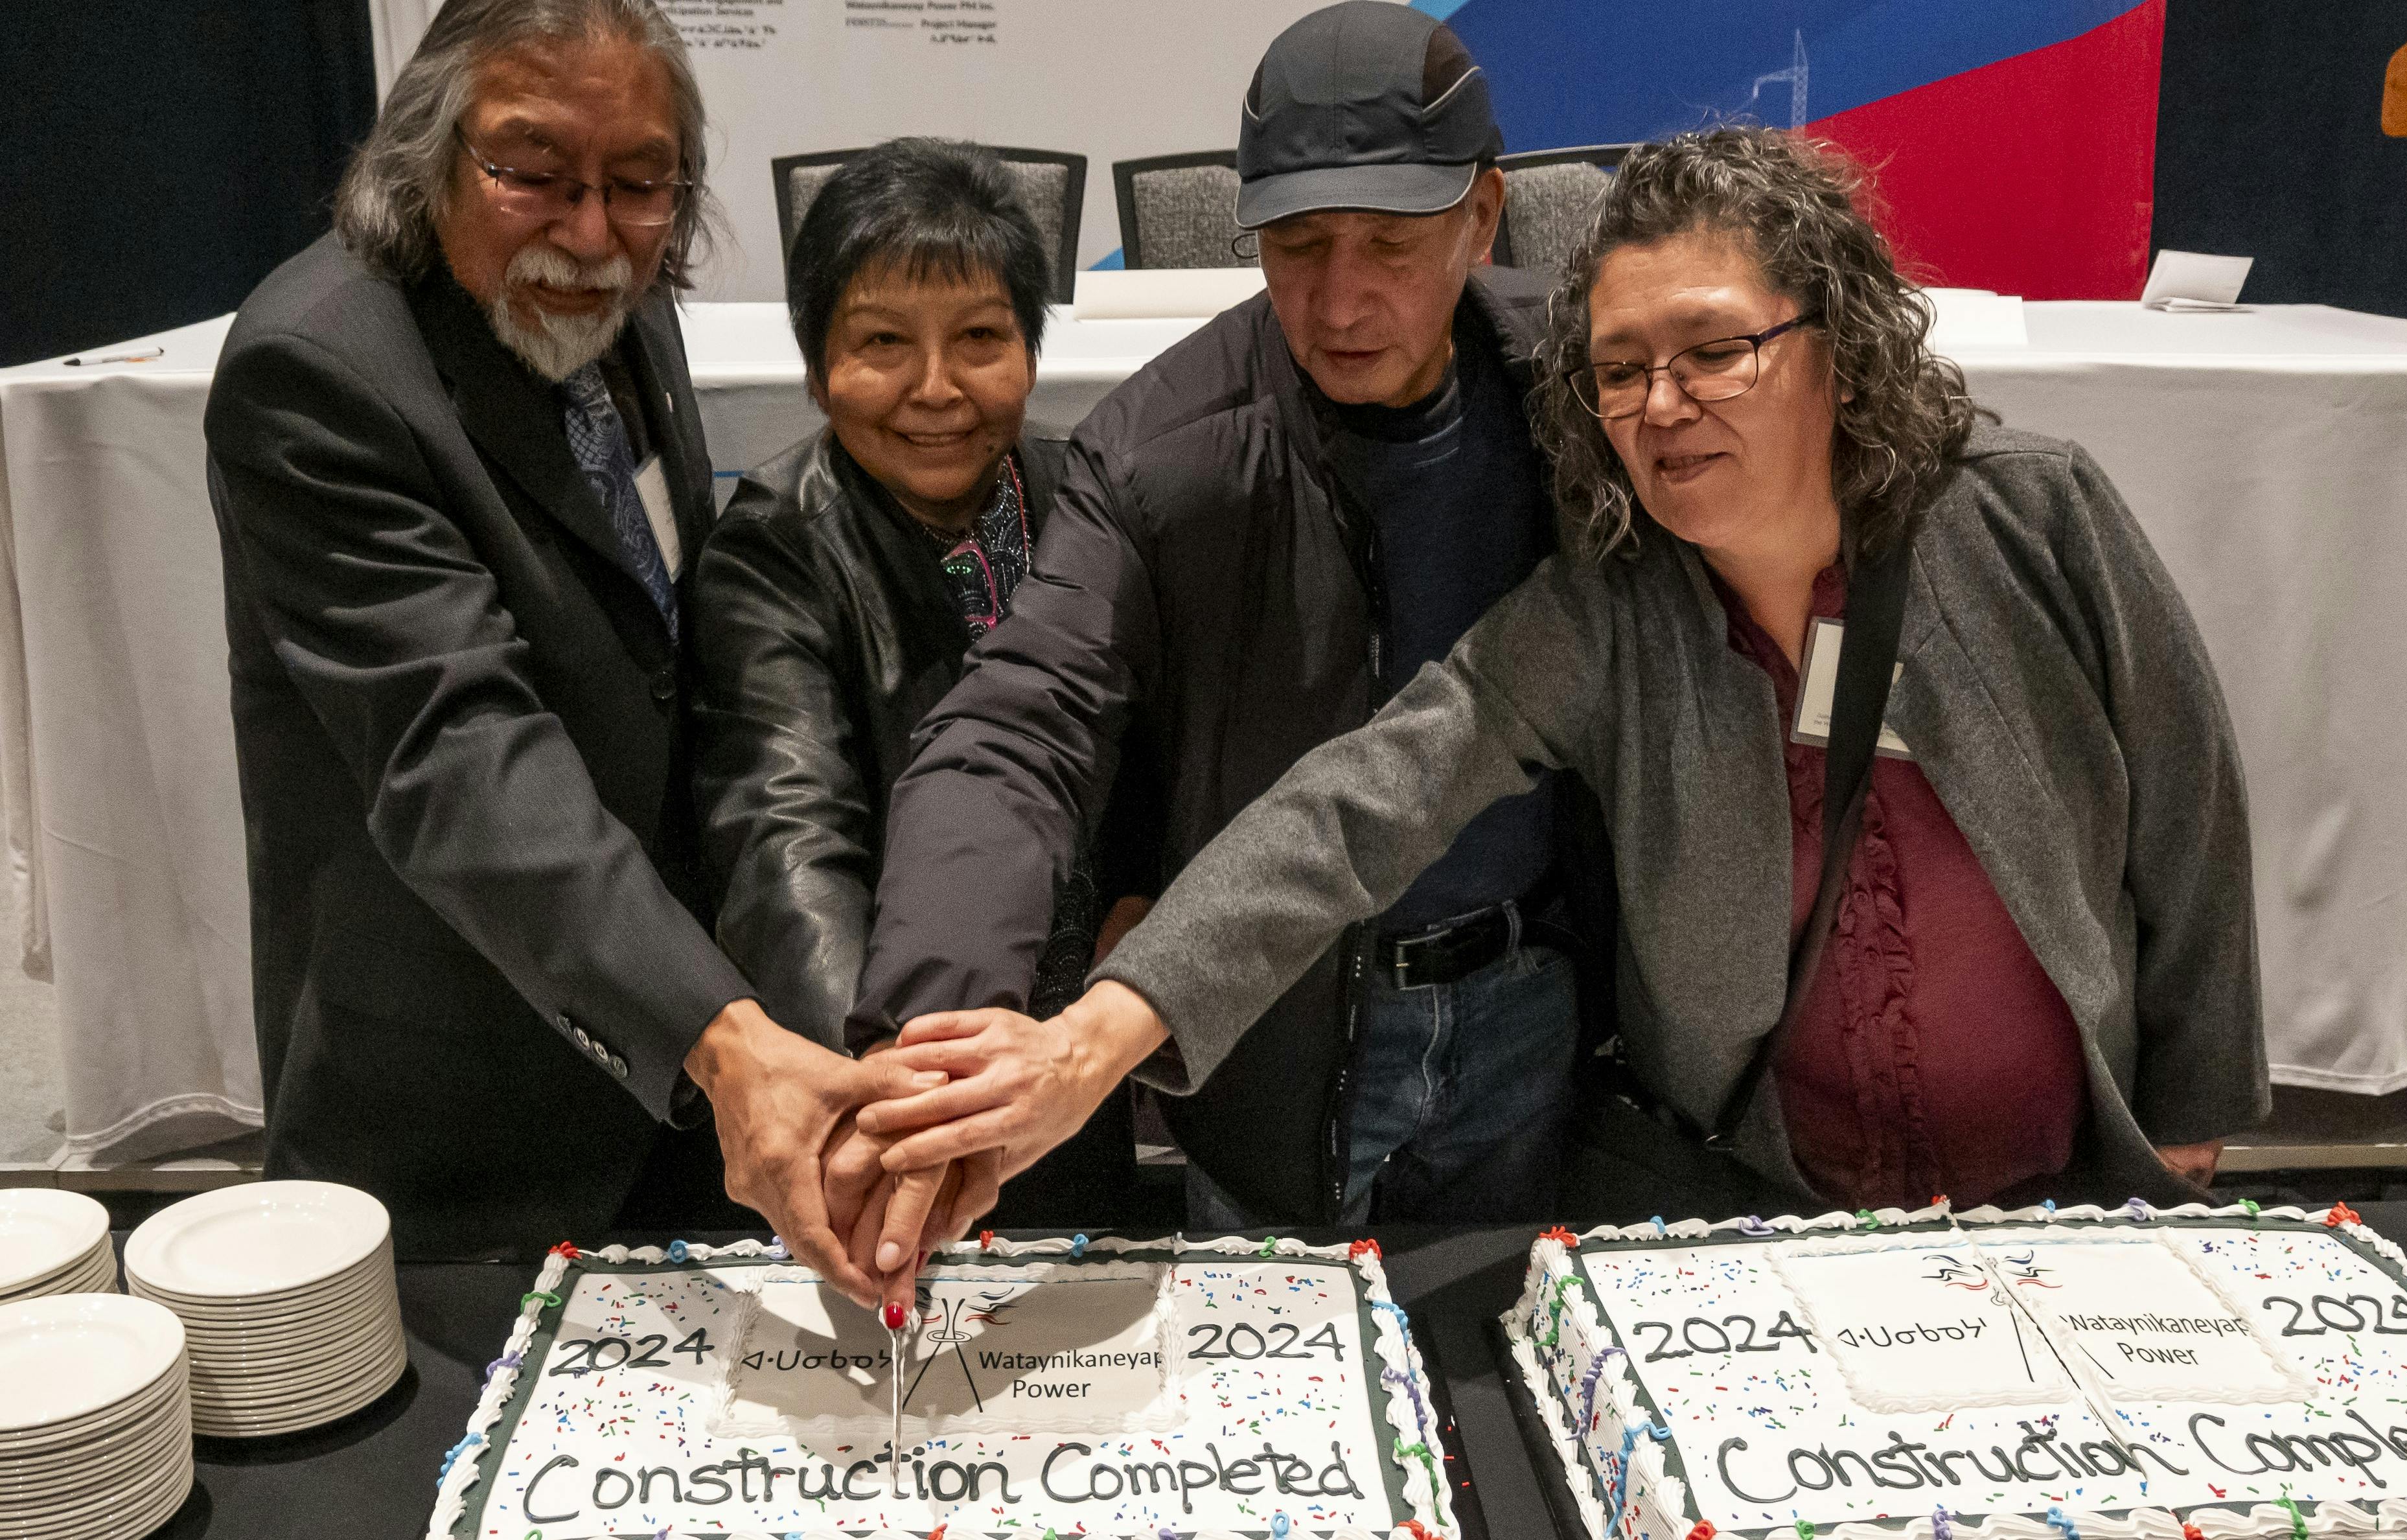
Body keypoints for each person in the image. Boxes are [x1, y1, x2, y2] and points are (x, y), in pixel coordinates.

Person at [854, 127, 2268, 1248]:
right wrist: (1089, 1041)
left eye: (1715, 350)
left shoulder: (2027, 517)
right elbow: (1354, 806)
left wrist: (2189, 1109)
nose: (1663, 405)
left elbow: (2187, 814)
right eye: (1620, 370)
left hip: (2064, 1186)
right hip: (1764, 1202)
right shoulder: (1610, 615)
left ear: (1833, 342)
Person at [842, 0, 1613, 1254]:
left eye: (1390, 242)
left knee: (1503, 1332)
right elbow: (1016, 726)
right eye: (1297, 245)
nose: (1340, 299)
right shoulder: (1163, 451)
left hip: (1534, 992)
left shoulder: (1580, 389)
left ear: (1482, 217)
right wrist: (928, 1038)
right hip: (1274, 1018)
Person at [205, 0, 923, 1289]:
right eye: (532, 173)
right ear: (427, 158)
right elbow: (463, 759)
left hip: (684, 1082)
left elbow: (669, 648)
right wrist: (719, 1035)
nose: (591, 234)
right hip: (464, 1126)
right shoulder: (316, 376)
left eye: (640, 184)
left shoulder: (623, 305)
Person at [691, 139, 1142, 1231]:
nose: (935, 389)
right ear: (816, 368)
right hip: (882, 1072)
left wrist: (1140, 902)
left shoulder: (1084, 499)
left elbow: (1154, 743)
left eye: (980, 338)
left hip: (1066, 1065)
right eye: (883, 343)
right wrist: (894, 1087)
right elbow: (786, 835)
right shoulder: (774, 546)